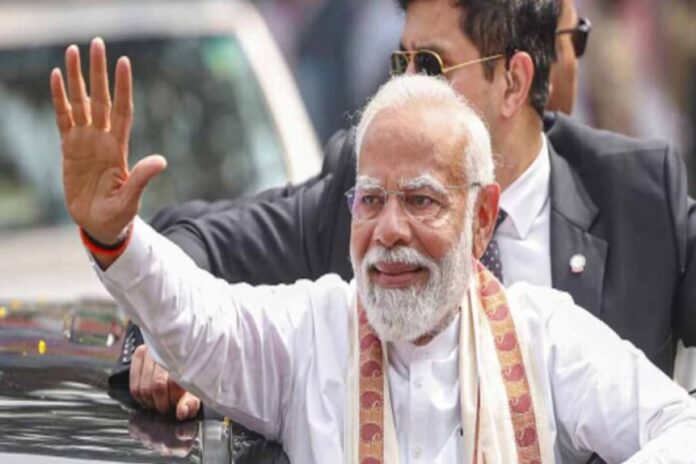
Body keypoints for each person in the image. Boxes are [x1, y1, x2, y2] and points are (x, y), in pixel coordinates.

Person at [51, 45, 696, 462]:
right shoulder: (313, 330)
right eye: (370, 200)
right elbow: (196, 322)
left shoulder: (545, 336)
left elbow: (677, 429)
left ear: (481, 220)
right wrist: (118, 239)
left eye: (420, 200)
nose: (388, 230)